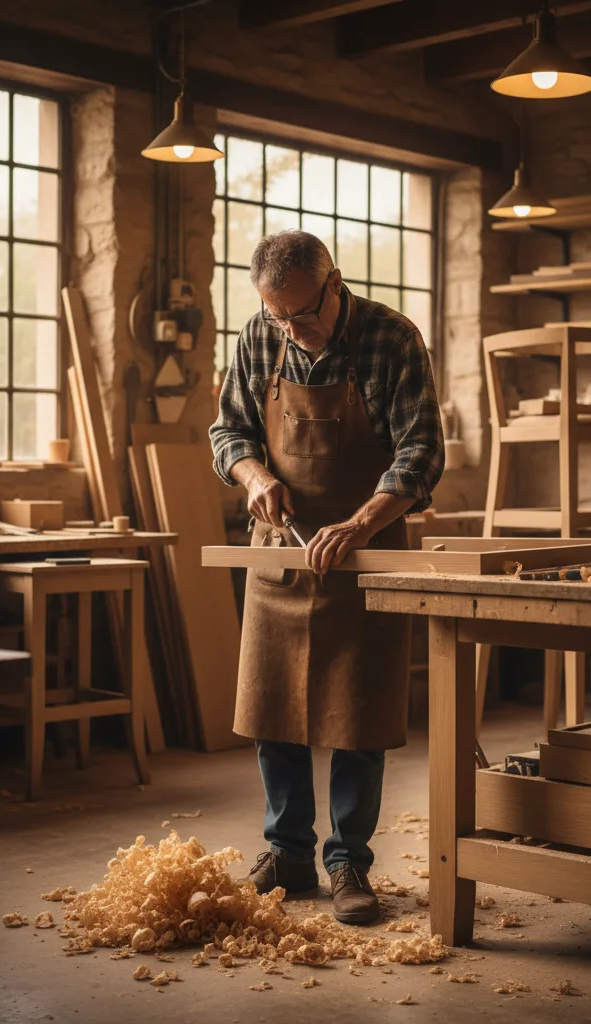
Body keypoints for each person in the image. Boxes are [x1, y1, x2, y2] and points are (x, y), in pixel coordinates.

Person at [209, 230, 444, 924]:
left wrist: (362, 521)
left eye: (302, 315)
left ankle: (348, 862)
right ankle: (287, 852)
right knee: (271, 708)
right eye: (277, 315)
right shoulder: (260, 334)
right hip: (281, 546)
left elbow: (422, 450)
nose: (290, 328)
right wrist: (252, 478)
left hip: (364, 551)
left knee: (358, 716)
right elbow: (229, 432)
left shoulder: (391, 338)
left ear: (334, 282)